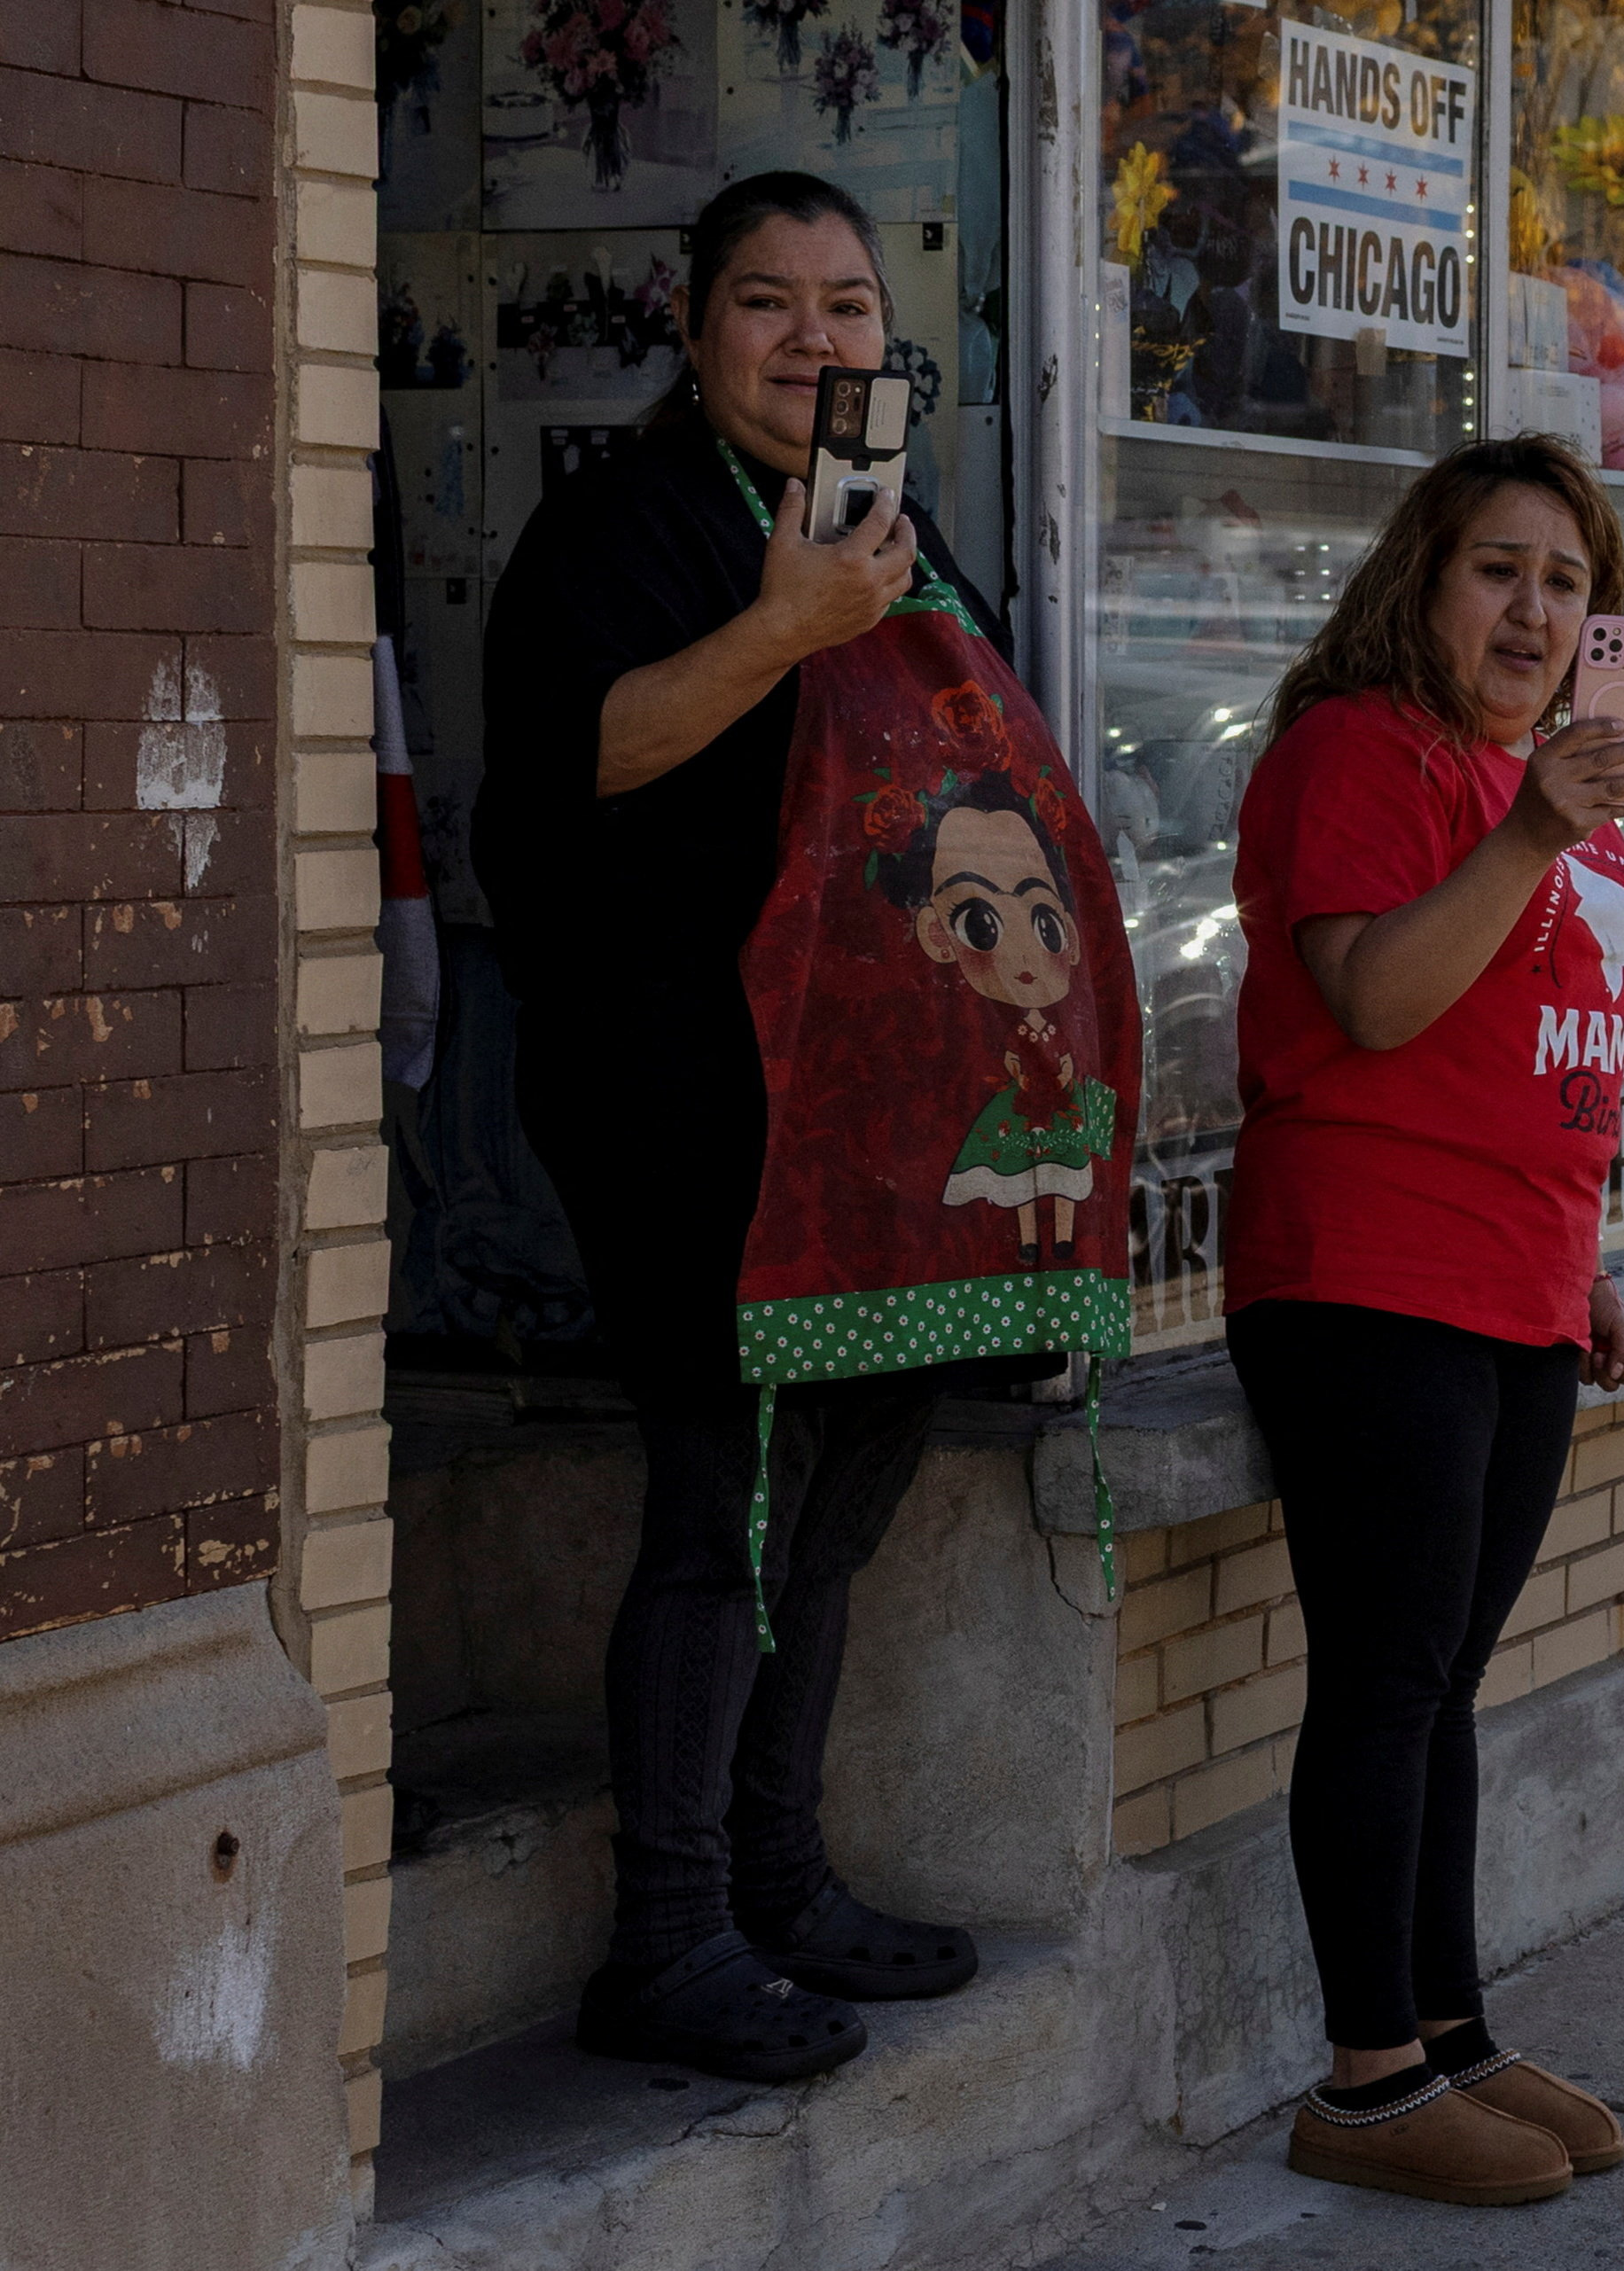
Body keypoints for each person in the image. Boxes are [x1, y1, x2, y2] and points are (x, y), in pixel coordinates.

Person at [474, 172, 1100, 2085]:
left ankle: (778, 1879)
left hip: (880, 1122)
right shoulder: (623, 526)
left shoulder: (895, 532)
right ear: (695, 331)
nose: (814, 338)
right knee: (729, 1508)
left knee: (834, 1505)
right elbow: (574, 761)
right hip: (692, 1106)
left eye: (847, 305)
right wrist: (783, 626)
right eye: (768, 301)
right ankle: (666, 1941)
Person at [1223, 436, 1624, 2207]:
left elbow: (1527, 1058)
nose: (1534, 609)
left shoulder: (1534, 789)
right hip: (1368, 1271)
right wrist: (1534, 825)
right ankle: (1365, 2082)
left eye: (1567, 582)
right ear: (1421, 577)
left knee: (1443, 1686)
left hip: (1516, 1281)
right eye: (1498, 568)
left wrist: (1586, 1262)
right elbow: (1377, 1002)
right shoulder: (1363, 751)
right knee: (1388, 1678)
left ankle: (1448, 2034)